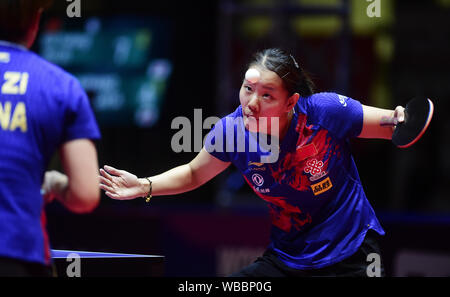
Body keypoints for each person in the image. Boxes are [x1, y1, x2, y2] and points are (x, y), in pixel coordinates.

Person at [99, 48, 405, 277]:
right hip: (288, 259)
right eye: (248, 89)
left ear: (291, 102)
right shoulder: (231, 132)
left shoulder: (325, 112)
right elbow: (194, 173)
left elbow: (391, 124)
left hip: (351, 256)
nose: (251, 103)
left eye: (267, 95)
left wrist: (402, 118)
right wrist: (144, 185)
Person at [0, 0, 101, 276]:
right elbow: (85, 195)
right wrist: (55, 184)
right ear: (35, 21)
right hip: (17, 255)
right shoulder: (61, 86)